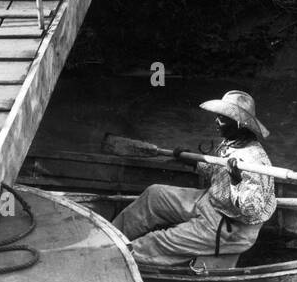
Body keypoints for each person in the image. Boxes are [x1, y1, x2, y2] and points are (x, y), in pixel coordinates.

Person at [113, 91, 277, 266]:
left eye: (222, 118)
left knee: (155, 242)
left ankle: (115, 259)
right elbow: (215, 171)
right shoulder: (231, 142)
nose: (216, 121)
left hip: (231, 227)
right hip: (211, 202)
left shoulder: (254, 161)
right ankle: (108, 236)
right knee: (154, 194)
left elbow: (252, 211)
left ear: (238, 123)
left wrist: (236, 181)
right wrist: (191, 160)